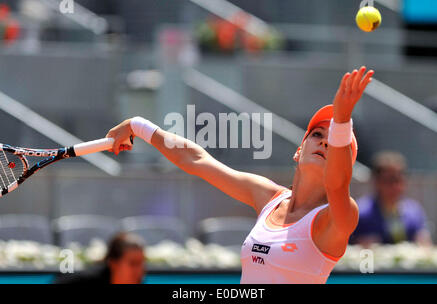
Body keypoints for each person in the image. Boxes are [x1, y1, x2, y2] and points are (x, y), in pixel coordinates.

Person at [107, 66, 374, 284]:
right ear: (298, 151)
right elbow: (196, 159)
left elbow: (337, 185)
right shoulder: (269, 196)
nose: (325, 142)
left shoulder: (338, 216)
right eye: (317, 134)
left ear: (346, 165)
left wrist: (342, 120)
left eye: (338, 143)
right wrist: (138, 126)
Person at [350, 151, 432, 247]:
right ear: (376, 182)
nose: (395, 187)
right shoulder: (359, 213)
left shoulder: (414, 211)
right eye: (388, 181)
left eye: (398, 180)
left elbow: (424, 242)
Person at [55, 232, 146, 284]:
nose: (139, 271)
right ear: (113, 263)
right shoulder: (82, 281)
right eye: (133, 264)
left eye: (141, 264)